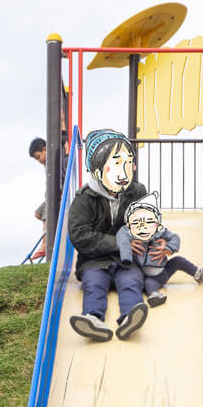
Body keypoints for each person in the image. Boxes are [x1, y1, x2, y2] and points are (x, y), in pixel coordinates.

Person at [67, 129, 150, 342]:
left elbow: (146, 224)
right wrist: (120, 243)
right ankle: (93, 319)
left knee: (132, 281)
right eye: (116, 163)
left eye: (128, 162)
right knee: (94, 283)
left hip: (127, 261)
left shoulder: (136, 192)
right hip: (96, 261)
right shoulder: (85, 199)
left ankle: (129, 318)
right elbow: (80, 235)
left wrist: (147, 241)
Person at [115, 192, 203, 307]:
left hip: (163, 271)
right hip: (146, 275)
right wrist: (126, 254)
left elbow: (175, 237)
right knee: (149, 283)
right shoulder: (131, 235)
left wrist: (168, 248)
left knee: (178, 260)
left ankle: (198, 273)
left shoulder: (160, 233)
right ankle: (154, 295)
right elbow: (122, 236)